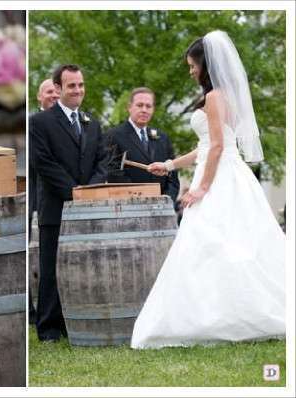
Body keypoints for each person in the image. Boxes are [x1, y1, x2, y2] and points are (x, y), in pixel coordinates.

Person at [131, 31, 285, 349]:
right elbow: (206, 147)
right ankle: (224, 313)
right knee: (226, 245)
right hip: (223, 169)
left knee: (216, 244)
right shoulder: (220, 96)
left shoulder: (215, 98)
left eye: (192, 65)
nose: (190, 71)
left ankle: (225, 316)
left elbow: (216, 148)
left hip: (219, 177)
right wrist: (170, 164)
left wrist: (201, 188)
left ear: (206, 65)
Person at [31, 64, 108, 342]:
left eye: (81, 85)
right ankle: (49, 328)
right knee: (51, 268)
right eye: (72, 86)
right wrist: (72, 191)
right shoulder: (40, 123)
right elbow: (43, 162)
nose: (78, 90)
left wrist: (91, 189)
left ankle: (74, 320)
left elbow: (103, 160)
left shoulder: (92, 123)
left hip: (87, 206)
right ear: (59, 89)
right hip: (56, 206)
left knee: (82, 266)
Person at [105, 87, 180, 207]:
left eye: (148, 106)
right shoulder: (114, 135)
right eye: (139, 105)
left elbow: (173, 173)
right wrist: (141, 199)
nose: (144, 110)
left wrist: (167, 198)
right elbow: (113, 173)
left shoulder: (163, 137)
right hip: (130, 206)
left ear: (153, 109)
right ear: (129, 107)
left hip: (162, 207)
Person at [28, 79, 59, 325]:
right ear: (39, 97)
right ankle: (30, 310)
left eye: (57, 92)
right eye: (49, 92)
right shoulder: (33, 123)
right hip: (33, 195)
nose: (54, 96)